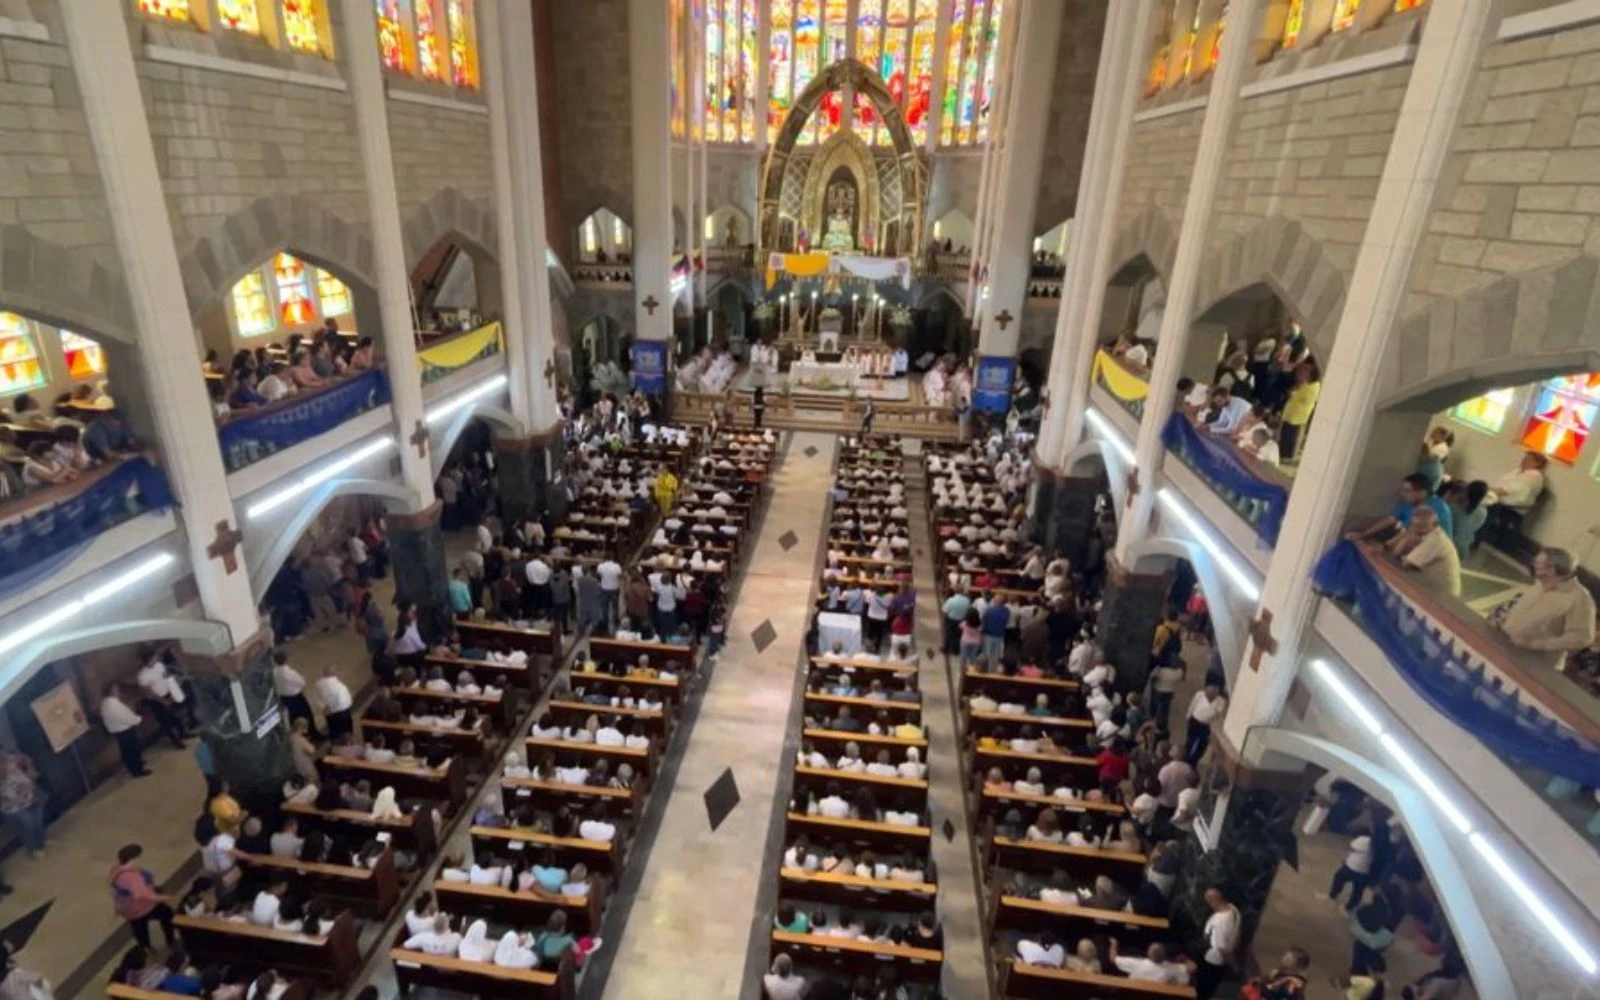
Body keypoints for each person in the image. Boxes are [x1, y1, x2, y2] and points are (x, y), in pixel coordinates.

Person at [1498, 547, 1597, 669]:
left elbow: (1582, 637)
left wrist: (1536, 644)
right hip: (1508, 651)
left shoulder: (1579, 599)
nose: (1533, 564)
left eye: (1538, 563)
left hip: (1535, 666)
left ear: (1551, 570)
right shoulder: (1541, 583)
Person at [1348, 474, 1453, 544]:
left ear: (1422, 492)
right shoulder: (1408, 503)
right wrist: (1364, 534)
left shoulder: (1438, 508)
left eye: (1407, 490)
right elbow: (1390, 519)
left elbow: (1424, 538)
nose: (1403, 494)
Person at [109, 844, 175, 950]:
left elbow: (113, 889)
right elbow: (143, 895)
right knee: (166, 914)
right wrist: (166, 898)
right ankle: (170, 940)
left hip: (128, 909)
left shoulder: (116, 869)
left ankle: (146, 949)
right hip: (142, 908)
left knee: (139, 931)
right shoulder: (131, 877)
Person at [1389, 506, 1461, 597]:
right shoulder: (1425, 535)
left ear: (1434, 525)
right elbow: (1395, 553)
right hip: (1431, 586)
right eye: (1415, 525)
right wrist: (1408, 536)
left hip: (1444, 595)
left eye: (1422, 526)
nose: (1418, 530)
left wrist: (1406, 552)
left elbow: (1407, 563)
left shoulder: (1436, 540)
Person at [1195, 886, 1240, 1000]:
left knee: (1203, 989)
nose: (1209, 906)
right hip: (1219, 960)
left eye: (1209, 902)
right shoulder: (1233, 909)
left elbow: (1221, 947)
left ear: (1213, 901)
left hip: (1212, 960)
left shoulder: (1220, 922)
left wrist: (1230, 959)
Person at [0, 749, 47, 857]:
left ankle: (41, 843)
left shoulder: (9, 757)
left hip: (31, 798)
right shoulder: (3, 782)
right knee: (29, 826)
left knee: (37, 822)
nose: (13, 763)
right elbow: (12, 796)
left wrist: (29, 769)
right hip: (14, 808)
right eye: (10, 763)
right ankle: (34, 849)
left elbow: (24, 758)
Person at [101, 684, 149, 777]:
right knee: (133, 749)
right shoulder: (112, 704)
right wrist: (137, 720)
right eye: (116, 690)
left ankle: (135, 764)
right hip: (123, 729)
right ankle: (137, 769)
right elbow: (123, 716)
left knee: (126, 749)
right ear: (111, 691)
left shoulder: (105, 703)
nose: (118, 691)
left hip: (117, 730)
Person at [271, 649, 318, 737]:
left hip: (283, 698)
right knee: (306, 715)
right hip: (296, 697)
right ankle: (312, 734)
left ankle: (298, 735)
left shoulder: (274, 672)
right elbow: (302, 682)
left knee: (292, 716)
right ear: (286, 659)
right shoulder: (290, 672)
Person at [1110, 940, 1190, 984]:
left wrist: (1114, 943)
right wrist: (1185, 959)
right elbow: (1190, 970)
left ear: (1148, 953)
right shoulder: (1174, 968)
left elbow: (1113, 959)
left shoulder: (1137, 964)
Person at [1184, 684, 1226, 765]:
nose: (1208, 697)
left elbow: (1219, 715)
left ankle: (1193, 761)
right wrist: (1188, 716)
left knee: (1202, 744)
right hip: (1195, 721)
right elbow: (1192, 705)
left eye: (1211, 696)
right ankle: (1185, 758)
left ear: (1216, 694)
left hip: (1206, 726)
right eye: (1207, 695)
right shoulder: (1199, 695)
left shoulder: (1221, 702)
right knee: (1190, 741)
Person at [315, 666, 354, 739]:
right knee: (346, 731)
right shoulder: (340, 686)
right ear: (334, 673)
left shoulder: (318, 684)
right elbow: (346, 702)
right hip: (342, 712)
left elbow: (318, 698)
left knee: (333, 729)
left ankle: (335, 745)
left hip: (328, 712)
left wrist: (324, 708)